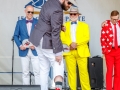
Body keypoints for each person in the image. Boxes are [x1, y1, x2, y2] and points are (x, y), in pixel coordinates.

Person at [29, 0, 77, 90]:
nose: (70, 6)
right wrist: (58, 52)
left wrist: (59, 26)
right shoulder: (58, 10)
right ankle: (57, 88)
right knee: (58, 64)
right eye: (69, 3)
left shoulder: (49, 2)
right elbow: (55, 33)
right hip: (46, 40)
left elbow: (46, 20)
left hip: (38, 39)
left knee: (44, 68)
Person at [60, 6, 91, 90]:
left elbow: (86, 37)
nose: (73, 15)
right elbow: (62, 37)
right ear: (69, 15)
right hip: (69, 52)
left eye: (75, 14)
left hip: (82, 51)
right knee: (71, 74)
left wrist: (75, 44)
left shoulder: (85, 25)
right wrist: (70, 43)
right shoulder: (64, 26)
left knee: (84, 73)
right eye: (71, 14)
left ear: (78, 15)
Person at [13, 5, 40, 85]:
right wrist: (20, 46)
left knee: (37, 72)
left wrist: (34, 45)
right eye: (29, 12)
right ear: (25, 11)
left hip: (35, 50)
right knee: (25, 72)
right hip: (23, 51)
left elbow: (40, 36)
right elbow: (15, 36)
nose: (30, 13)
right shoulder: (19, 23)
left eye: (32, 12)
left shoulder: (38, 22)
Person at [100, 10, 120, 90]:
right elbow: (102, 39)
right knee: (109, 71)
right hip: (109, 51)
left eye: (116, 19)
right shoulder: (106, 25)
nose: (115, 21)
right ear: (110, 18)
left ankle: (116, 88)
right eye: (113, 19)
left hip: (118, 50)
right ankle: (108, 88)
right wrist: (104, 52)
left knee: (118, 72)